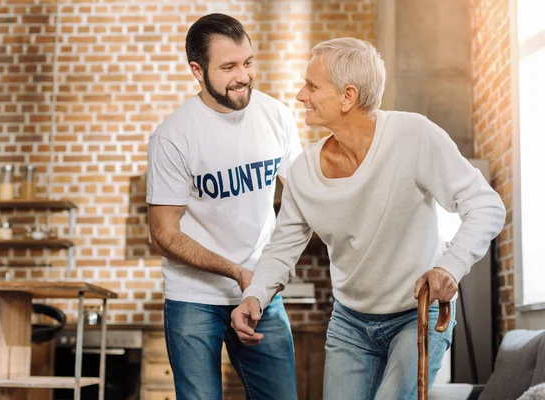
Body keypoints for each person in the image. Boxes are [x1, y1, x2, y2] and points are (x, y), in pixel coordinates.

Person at [231, 37, 506, 400]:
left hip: (415, 316)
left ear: (348, 96)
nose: (300, 95)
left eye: (312, 86)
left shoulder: (413, 136)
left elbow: (486, 206)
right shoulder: (303, 172)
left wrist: (449, 267)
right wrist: (254, 296)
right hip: (350, 323)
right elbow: (281, 250)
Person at [146, 13, 301, 400]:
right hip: (193, 297)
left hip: (261, 292)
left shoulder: (277, 117)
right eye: (229, 66)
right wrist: (235, 271)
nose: (243, 75)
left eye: (248, 62)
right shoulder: (174, 136)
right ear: (197, 71)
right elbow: (163, 234)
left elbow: (305, 198)